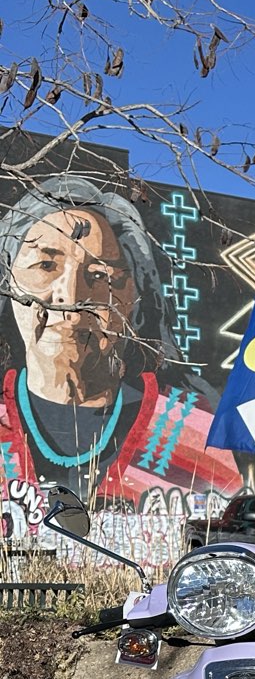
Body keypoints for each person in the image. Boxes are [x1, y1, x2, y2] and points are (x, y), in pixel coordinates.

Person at [0, 174, 239, 513]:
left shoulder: (191, 427)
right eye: (45, 265)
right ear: (8, 281)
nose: (71, 297)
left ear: (135, 297)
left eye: (100, 275)